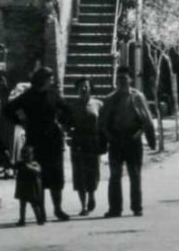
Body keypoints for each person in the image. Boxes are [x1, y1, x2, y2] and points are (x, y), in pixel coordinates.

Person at [5, 68, 71, 221]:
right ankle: (41, 212)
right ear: (43, 79)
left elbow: (67, 109)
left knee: (56, 177)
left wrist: (62, 122)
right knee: (38, 178)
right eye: (50, 78)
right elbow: (7, 110)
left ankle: (58, 209)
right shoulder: (28, 96)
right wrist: (21, 121)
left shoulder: (53, 95)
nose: (52, 81)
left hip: (53, 140)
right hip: (35, 142)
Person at [98, 67, 157, 217]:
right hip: (116, 140)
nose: (122, 81)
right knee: (115, 175)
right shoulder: (110, 99)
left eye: (125, 78)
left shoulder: (138, 97)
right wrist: (108, 138)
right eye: (119, 79)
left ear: (130, 80)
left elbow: (147, 120)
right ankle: (115, 208)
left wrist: (149, 138)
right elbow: (103, 123)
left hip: (133, 139)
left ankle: (137, 207)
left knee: (135, 174)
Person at [61, 78, 103, 215]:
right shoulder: (72, 107)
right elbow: (66, 124)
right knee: (79, 174)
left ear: (90, 88)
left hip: (93, 142)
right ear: (77, 90)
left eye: (86, 86)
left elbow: (103, 124)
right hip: (78, 142)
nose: (83, 89)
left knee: (92, 172)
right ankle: (83, 205)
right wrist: (68, 133)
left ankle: (91, 196)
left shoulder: (98, 104)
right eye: (81, 87)